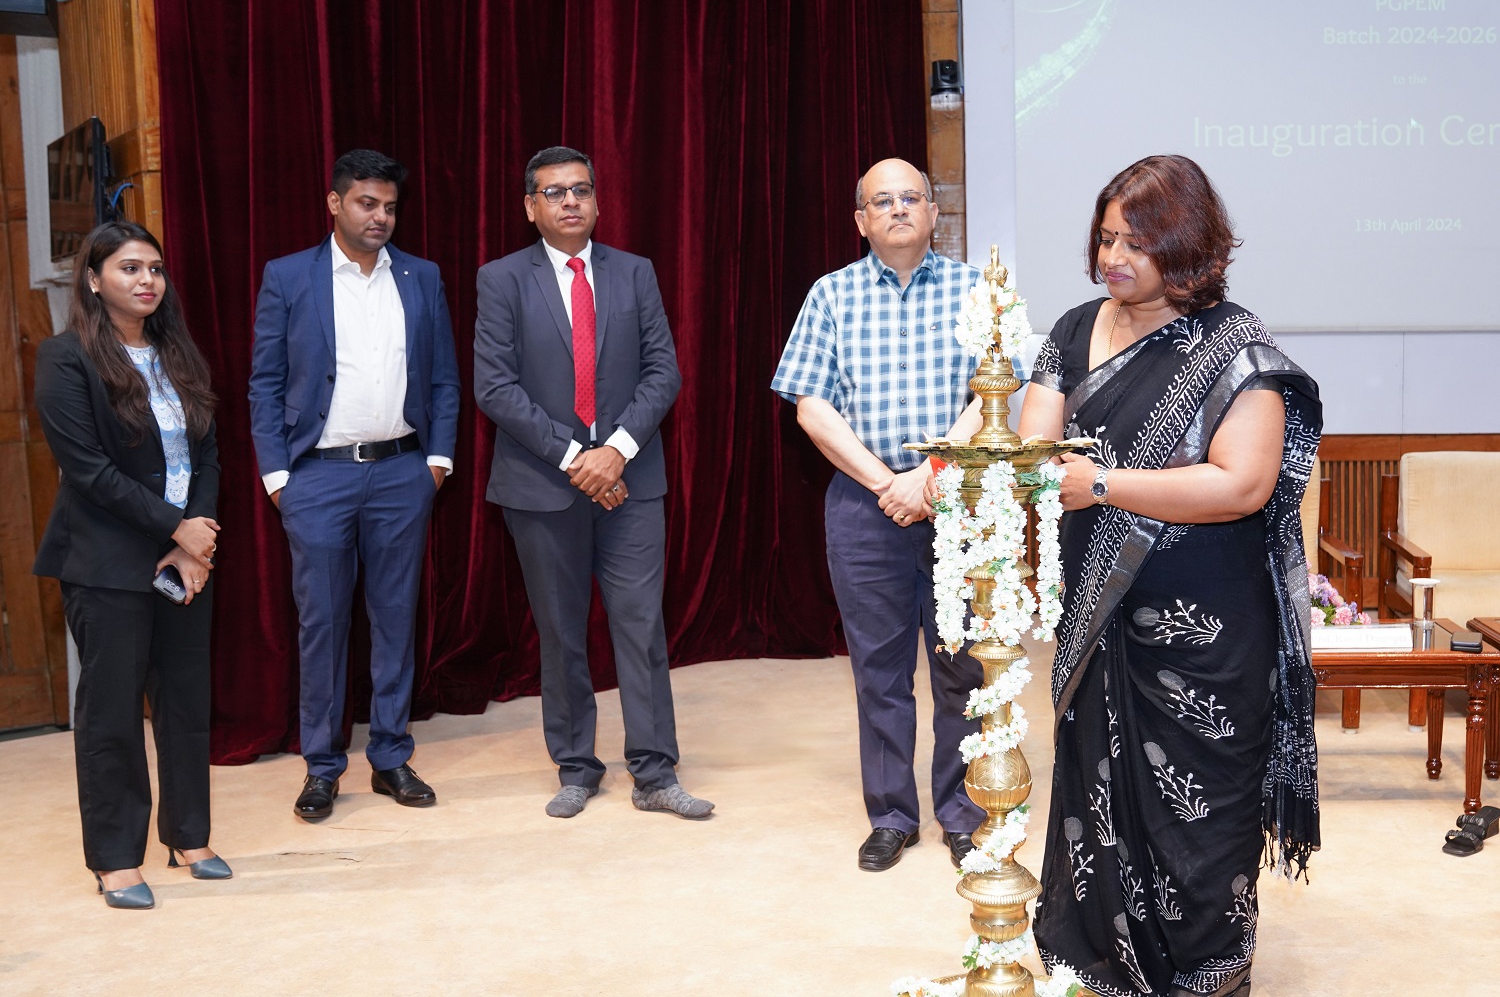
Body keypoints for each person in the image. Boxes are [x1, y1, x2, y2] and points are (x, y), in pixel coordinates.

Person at [1021, 155, 1321, 997]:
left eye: (1136, 242)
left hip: (1205, 631)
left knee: (1202, 814)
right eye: (1105, 237)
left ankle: (1203, 975)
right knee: (1097, 793)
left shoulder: (1236, 349)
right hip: (1100, 609)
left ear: (1187, 248)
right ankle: (1105, 970)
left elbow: (1242, 484)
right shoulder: (1075, 329)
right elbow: (1039, 438)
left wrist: (1104, 483)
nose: (1113, 256)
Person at [473, 146, 712, 820]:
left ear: (598, 202)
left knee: (641, 628)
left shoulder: (634, 273)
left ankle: (656, 773)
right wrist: (579, 457)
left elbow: (663, 372)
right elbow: (494, 386)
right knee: (561, 631)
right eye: (554, 192)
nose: (570, 201)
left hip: (631, 481)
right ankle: (576, 766)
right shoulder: (500, 280)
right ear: (531, 207)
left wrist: (617, 451)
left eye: (581, 189)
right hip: (542, 486)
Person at [771, 157, 987, 872]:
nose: (897, 209)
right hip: (864, 508)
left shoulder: (976, 290)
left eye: (910, 198)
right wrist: (888, 484)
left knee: (960, 667)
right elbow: (811, 406)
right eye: (880, 201)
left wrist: (928, 477)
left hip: (956, 502)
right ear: (860, 220)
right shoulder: (830, 295)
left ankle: (960, 811)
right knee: (880, 671)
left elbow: (997, 397)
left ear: (934, 213)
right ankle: (892, 815)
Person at [248, 149, 460, 820]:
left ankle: (392, 757)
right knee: (323, 624)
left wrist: (437, 463)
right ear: (335, 203)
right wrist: (280, 476)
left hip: (403, 472)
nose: (381, 217)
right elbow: (265, 382)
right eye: (368, 203)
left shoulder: (421, 278)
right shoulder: (288, 277)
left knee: (395, 618)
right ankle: (322, 765)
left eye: (391, 206)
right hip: (318, 478)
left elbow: (444, 379)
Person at [33, 221, 229, 908]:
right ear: (93, 279)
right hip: (106, 559)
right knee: (112, 712)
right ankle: (116, 858)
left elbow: (206, 451)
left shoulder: (177, 354)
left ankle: (189, 834)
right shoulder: (65, 359)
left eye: (155, 269)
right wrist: (175, 527)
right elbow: (88, 470)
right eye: (128, 268)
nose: (147, 280)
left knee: (184, 701)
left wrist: (195, 539)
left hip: (186, 557)